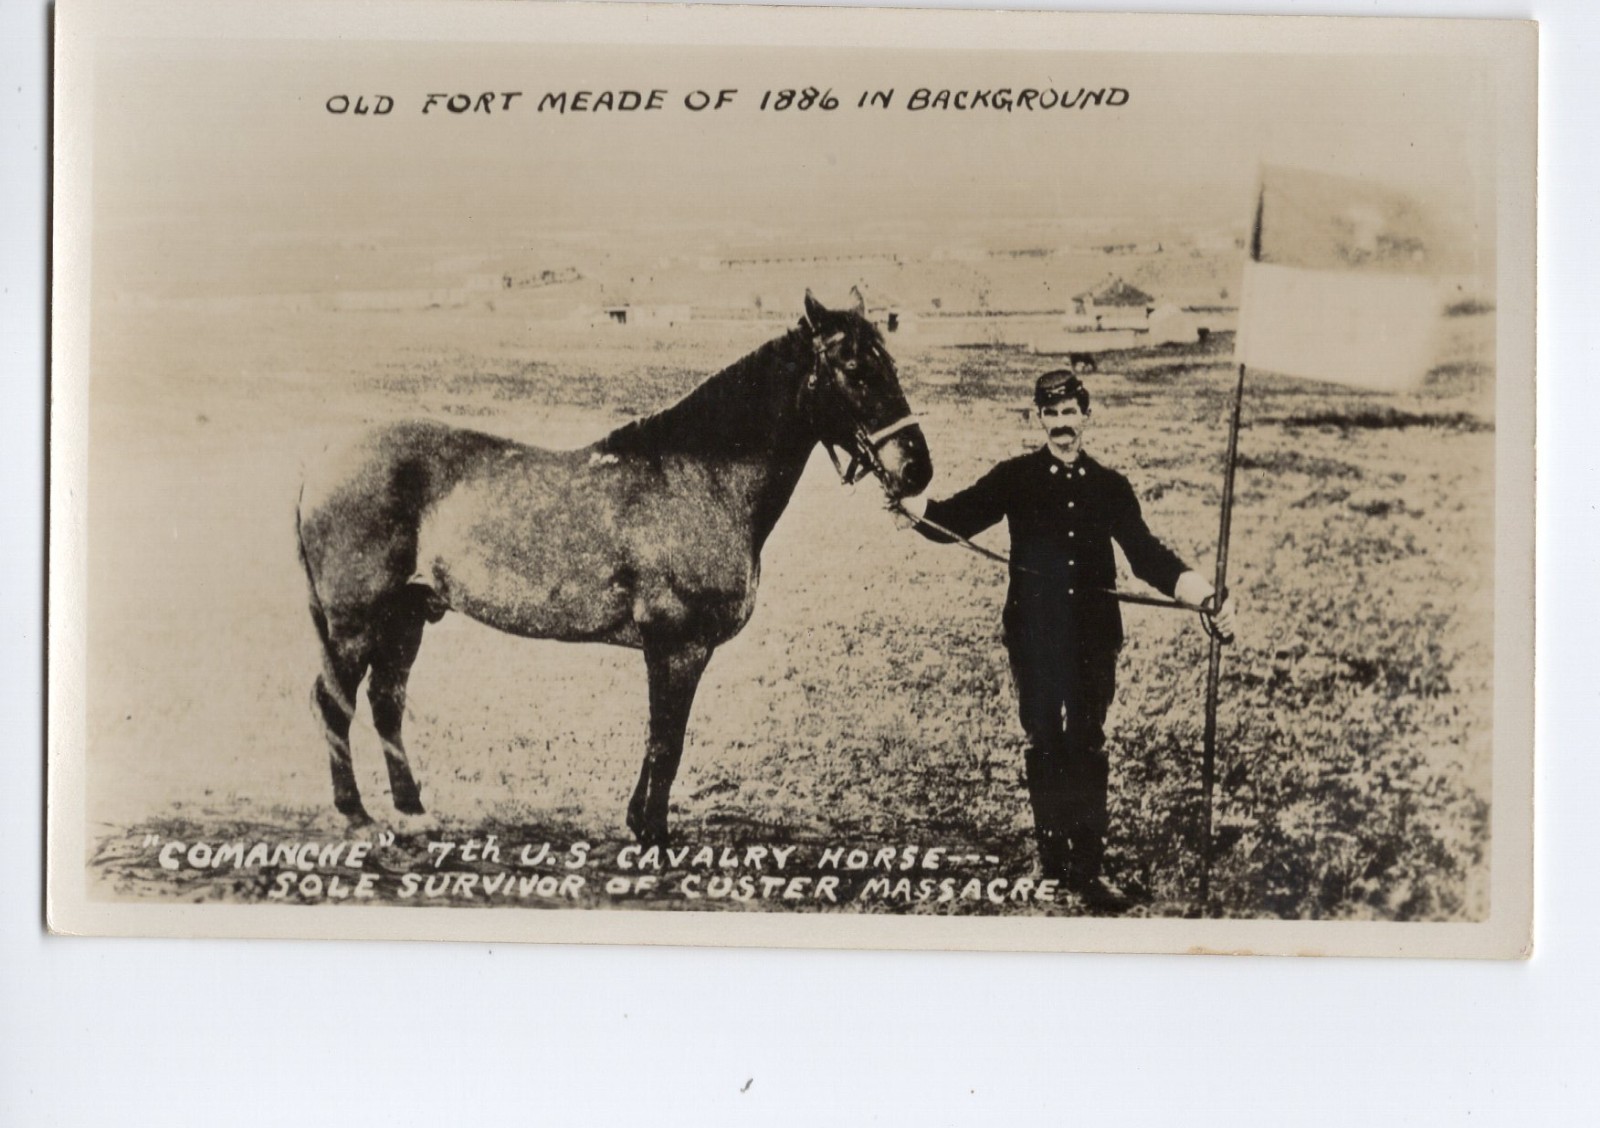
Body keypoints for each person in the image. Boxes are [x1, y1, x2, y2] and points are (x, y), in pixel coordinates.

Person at [896, 369, 1236, 912]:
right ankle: (1052, 860)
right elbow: (955, 519)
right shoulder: (1015, 477)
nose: (1061, 424)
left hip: (1093, 640)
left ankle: (1089, 868)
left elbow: (1146, 555)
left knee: (1086, 742)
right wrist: (909, 502)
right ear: (1039, 419)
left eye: (1069, 412)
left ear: (1086, 416)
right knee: (1043, 742)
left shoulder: (1110, 487)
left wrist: (1203, 594)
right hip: (1033, 637)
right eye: (1051, 414)